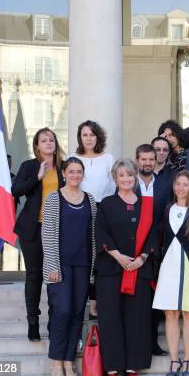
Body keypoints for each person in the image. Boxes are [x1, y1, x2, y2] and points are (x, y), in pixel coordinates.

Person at [95, 159, 157, 376]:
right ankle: (112, 365)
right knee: (110, 316)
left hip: (139, 269)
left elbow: (154, 234)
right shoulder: (106, 204)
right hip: (111, 269)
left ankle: (133, 364)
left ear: (135, 177)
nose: (126, 179)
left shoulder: (146, 205)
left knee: (136, 318)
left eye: (130, 175)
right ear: (115, 178)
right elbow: (101, 233)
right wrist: (118, 255)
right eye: (122, 175)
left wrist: (142, 258)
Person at [41, 157, 97, 376]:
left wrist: (93, 269)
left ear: (83, 175)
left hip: (83, 265)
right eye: (71, 171)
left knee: (76, 312)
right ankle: (56, 360)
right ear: (64, 173)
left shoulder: (90, 200)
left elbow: (93, 234)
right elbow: (47, 235)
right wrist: (52, 265)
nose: (75, 175)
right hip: (60, 265)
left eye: (79, 172)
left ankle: (68, 361)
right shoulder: (54, 198)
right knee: (62, 310)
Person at [151, 171, 189, 376]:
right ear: (174, 186)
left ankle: (187, 361)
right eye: (178, 184)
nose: (181, 188)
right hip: (169, 267)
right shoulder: (167, 209)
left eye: (186, 184)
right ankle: (174, 361)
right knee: (170, 314)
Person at [12, 127, 65, 341]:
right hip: (33, 228)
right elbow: (16, 190)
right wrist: (38, 176)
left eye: (51, 139)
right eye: (44, 140)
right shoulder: (29, 166)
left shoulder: (64, 167)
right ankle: (32, 322)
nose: (49, 143)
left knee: (56, 276)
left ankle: (54, 322)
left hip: (58, 229)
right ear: (37, 146)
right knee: (34, 275)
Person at [69, 120, 115, 321]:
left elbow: (114, 185)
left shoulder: (108, 158)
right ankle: (81, 298)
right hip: (80, 209)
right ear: (80, 137)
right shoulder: (73, 158)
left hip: (103, 209)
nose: (88, 138)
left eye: (92, 134)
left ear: (98, 137)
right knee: (83, 254)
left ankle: (95, 302)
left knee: (100, 255)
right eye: (84, 135)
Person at [135, 144, 173, 356]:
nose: (148, 162)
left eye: (151, 159)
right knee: (137, 301)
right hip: (132, 252)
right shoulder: (129, 184)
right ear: (137, 161)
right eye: (144, 159)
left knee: (155, 299)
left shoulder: (165, 185)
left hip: (157, 250)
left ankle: (152, 343)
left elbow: (167, 215)